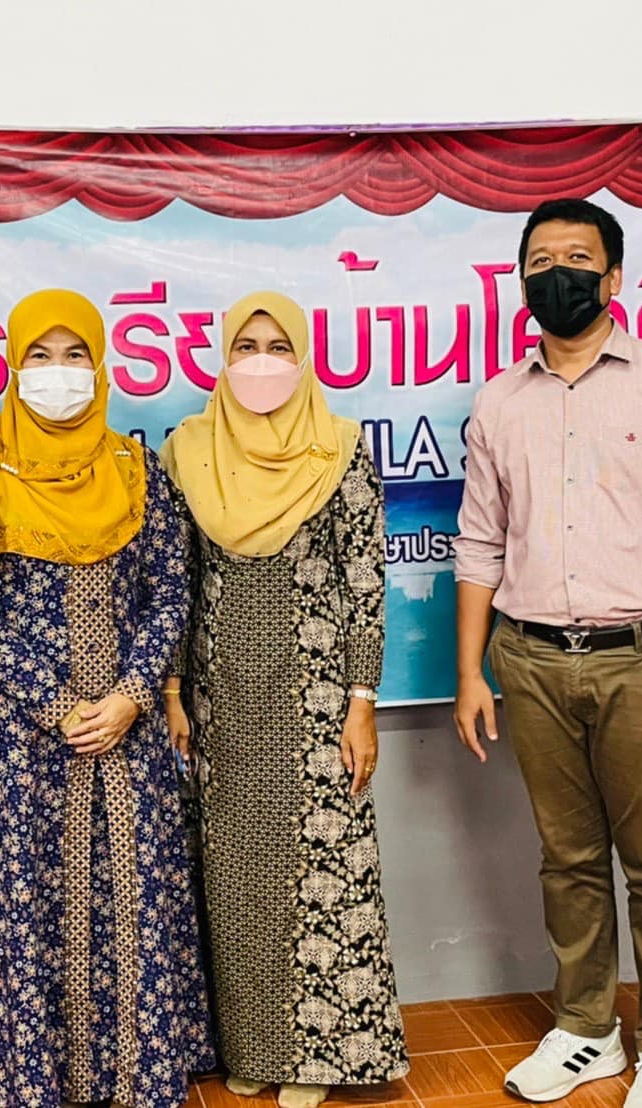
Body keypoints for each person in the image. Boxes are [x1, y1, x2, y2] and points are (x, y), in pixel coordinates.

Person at [452, 199, 642, 1107]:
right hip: (533, 662)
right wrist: (470, 672)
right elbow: (479, 545)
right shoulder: (499, 401)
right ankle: (588, 1029)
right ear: (521, 280)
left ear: (614, 277)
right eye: (541, 260)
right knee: (568, 860)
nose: (559, 274)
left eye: (577, 258)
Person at [0, 289, 214, 1108]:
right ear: (13, 368)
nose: (58, 373)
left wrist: (130, 697)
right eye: (39, 357)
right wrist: (54, 705)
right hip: (10, 735)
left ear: (100, 363)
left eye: (75, 354)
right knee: (14, 893)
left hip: (126, 730)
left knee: (132, 887)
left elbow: (169, 591)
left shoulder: (135, 467)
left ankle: (128, 1073)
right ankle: (17, 1083)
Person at [161, 292, 409, 1108]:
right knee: (237, 882)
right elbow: (174, 581)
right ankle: (255, 1048)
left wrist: (362, 702)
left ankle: (320, 1060)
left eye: (277, 346)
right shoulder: (187, 452)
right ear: (222, 358)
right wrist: (172, 690)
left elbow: (365, 583)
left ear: (303, 358)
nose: (261, 362)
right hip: (221, 701)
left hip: (316, 702)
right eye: (246, 346)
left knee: (324, 871)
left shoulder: (339, 450)